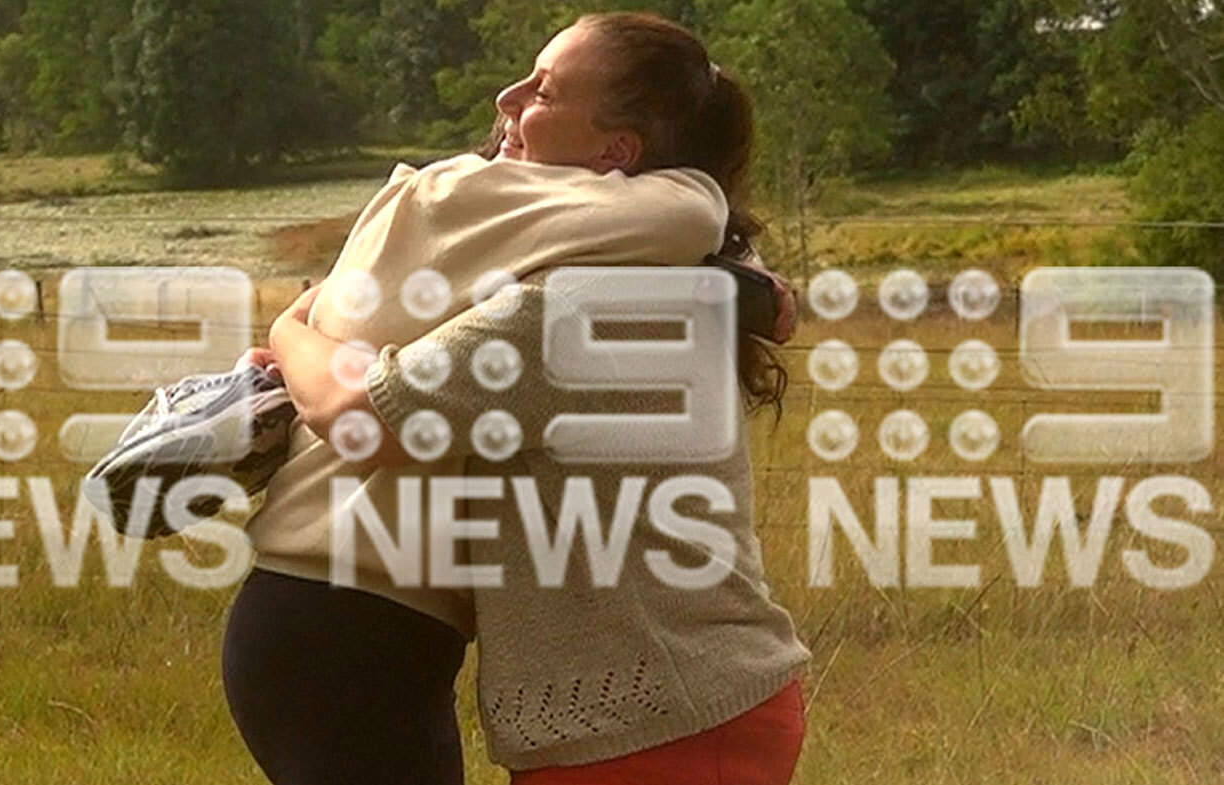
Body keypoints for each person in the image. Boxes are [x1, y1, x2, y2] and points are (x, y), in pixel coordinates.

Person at [230, 11, 808, 785]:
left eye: (544, 91)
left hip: (660, 717)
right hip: (640, 711)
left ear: (615, 153)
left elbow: (370, 416)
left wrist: (291, 328)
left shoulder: (575, 302)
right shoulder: (606, 272)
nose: (506, 98)